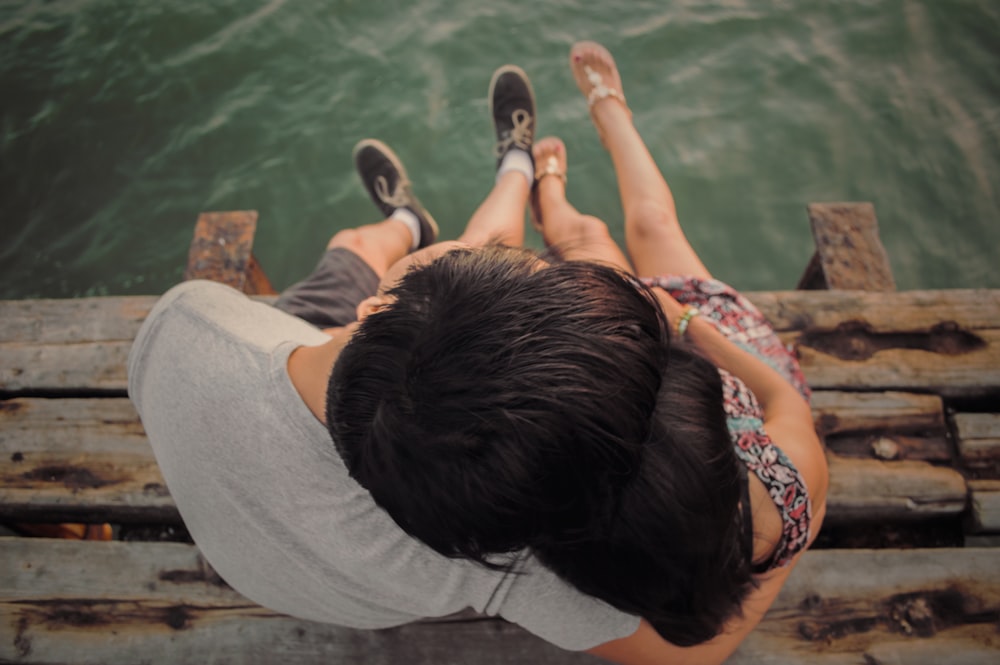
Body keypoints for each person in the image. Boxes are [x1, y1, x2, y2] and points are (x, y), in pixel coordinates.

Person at [128, 64, 675, 655]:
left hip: (271, 457)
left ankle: (409, 221)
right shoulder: (488, 541)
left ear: (365, 313)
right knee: (417, 250)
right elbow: (688, 656)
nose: (488, 252)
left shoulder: (190, 321)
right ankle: (505, 172)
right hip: (342, 576)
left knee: (354, 246)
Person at [329, 42, 828, 664]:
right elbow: (782, 398)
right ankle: (601, 121)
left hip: (626, 362)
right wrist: (694, 329)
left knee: (590, 243)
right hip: (722, 343)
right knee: (648, 227)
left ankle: (541, 187)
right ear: (729, 458)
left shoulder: (564, 537)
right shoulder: (788, 489)